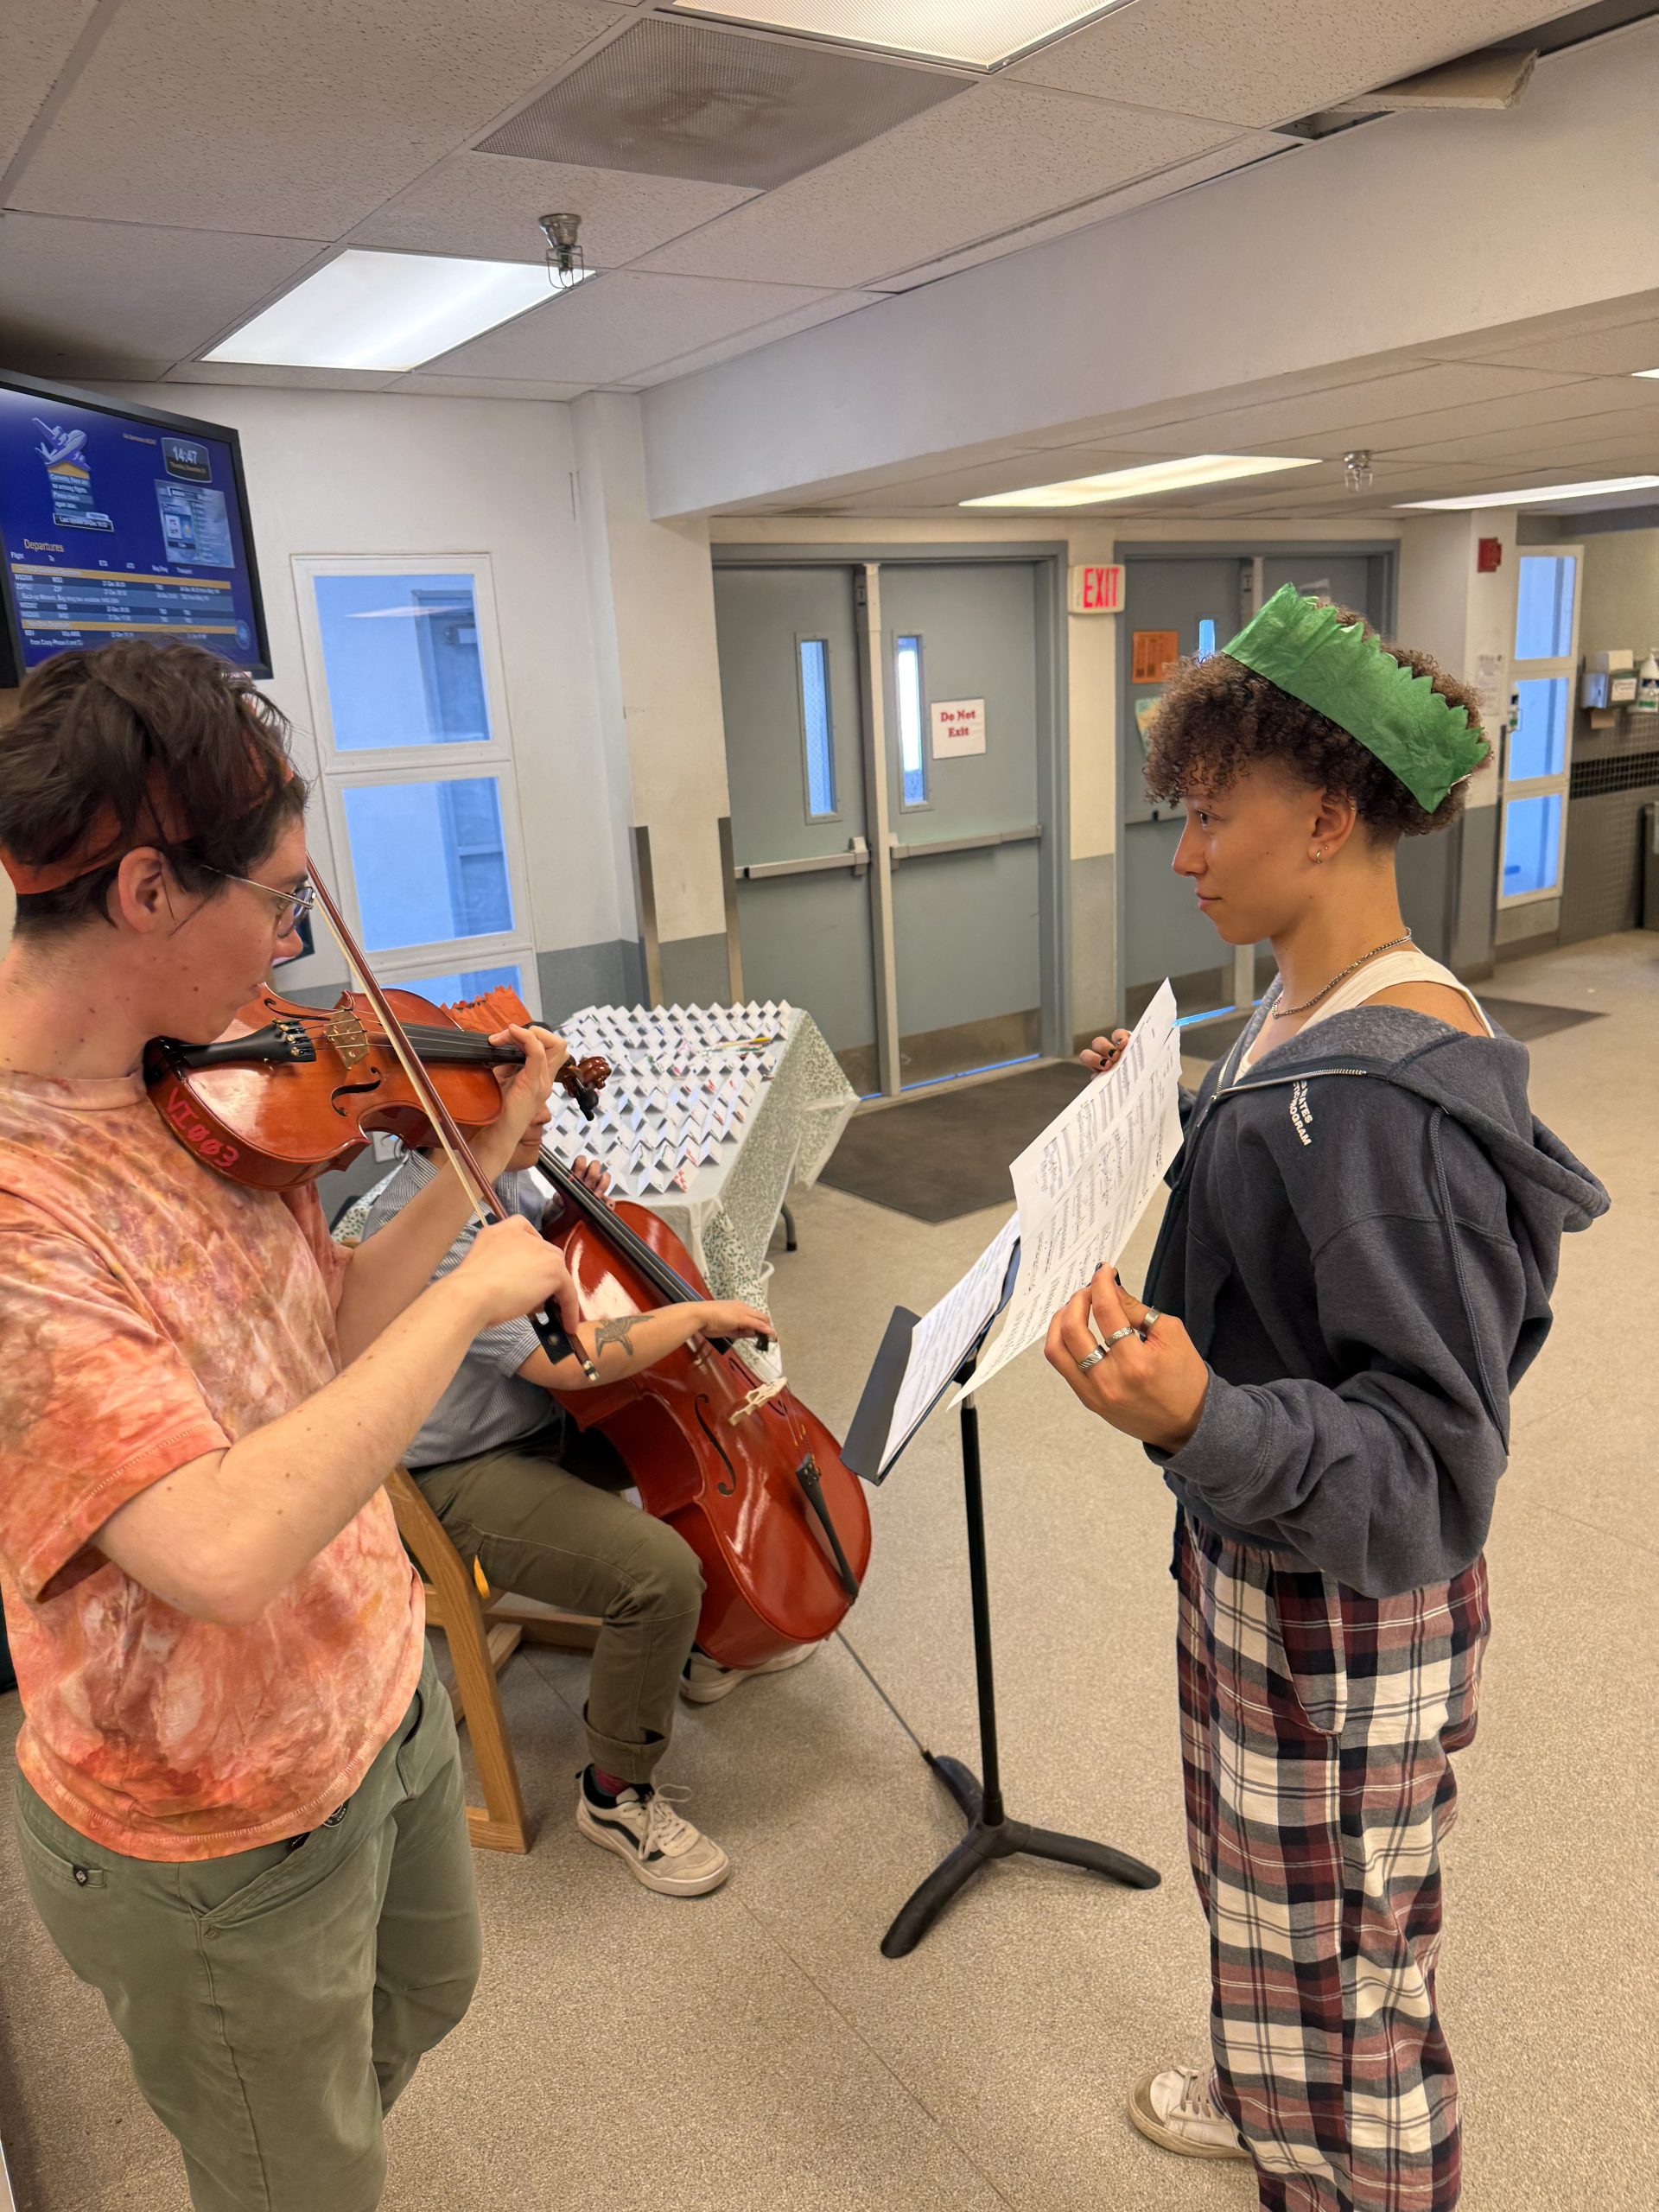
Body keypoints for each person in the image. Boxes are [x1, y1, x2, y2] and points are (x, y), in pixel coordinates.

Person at [0, 640, 582, 2212]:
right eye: (275, 902)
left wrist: (469, 1193)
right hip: (214, 1829)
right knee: (296, 2181)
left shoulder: (187, 1082)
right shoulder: (20, 1204)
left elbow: (314, 1331)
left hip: (375, 1697)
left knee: (422, 2004)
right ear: (140, 893)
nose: (290, 951)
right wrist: (475, 1304)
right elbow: (215, 1548)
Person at [1045, 588, 1607, 2212]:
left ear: (1333, 814)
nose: (1184, 851)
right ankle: (1255, 2088)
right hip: (1260, 1560)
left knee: (1359, 1991)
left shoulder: (1386, 1105)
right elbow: (1279, 1192)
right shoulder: (1307, 1003)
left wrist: (1197, 1416)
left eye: (1213, 814)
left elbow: (1433, 1471)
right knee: (1267, 1904)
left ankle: (1353, 2171)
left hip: (1341, 1609)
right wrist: (1164, 1108)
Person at [359, 1097, 815, 1899]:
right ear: (462, 1116)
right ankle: (614, 1796)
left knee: (683, 1434)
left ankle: (705, 1643)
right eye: (524, 1103)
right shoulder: (416, 1229)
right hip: (458, 1472)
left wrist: (571, 1212)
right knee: (658, 1573)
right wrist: (696, 1314)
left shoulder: (505, 1178)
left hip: (539, 1419)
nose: (546, 1113)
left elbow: (561, 1293)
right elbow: (568, 1362)